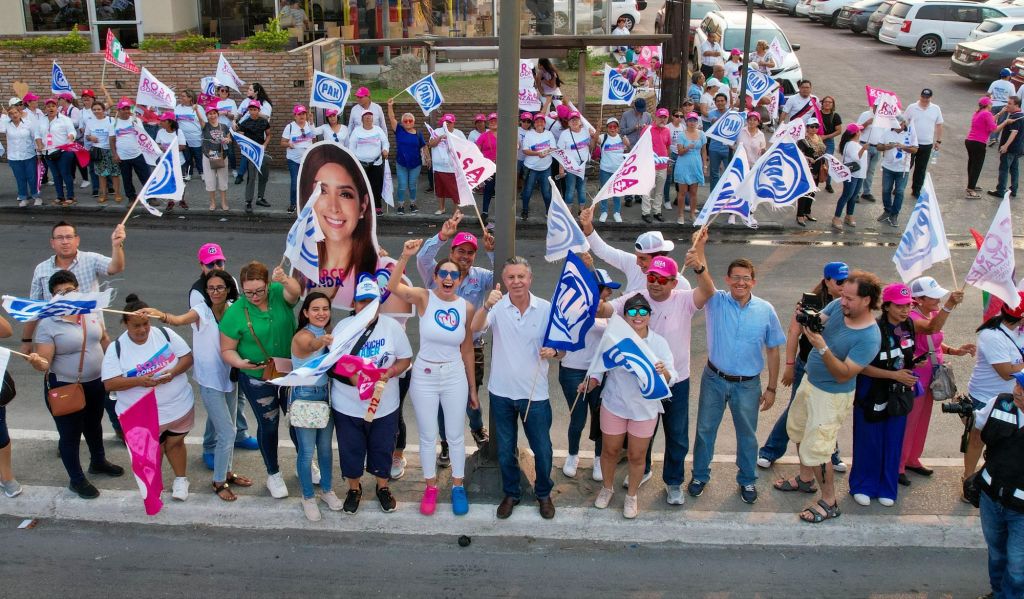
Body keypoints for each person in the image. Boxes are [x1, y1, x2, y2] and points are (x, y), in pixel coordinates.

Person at [597, 253, 710, 504]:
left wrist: (700, 268)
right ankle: (643, 470)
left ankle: (673, 482)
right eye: (651, 277)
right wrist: (596, 297)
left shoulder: (685, 300)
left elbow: (708, 291)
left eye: (661, 279)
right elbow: (606, 310)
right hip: (639, 382)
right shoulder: (637, 298)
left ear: (673, 282)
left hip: (676, 380)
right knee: (642, 435)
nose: (655, 283)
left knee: (677, 434)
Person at [777, 270, 882, 522]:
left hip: (831, 396)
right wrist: (806, 316)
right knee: (800, 431)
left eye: (849, 299)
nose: (842, 301)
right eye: (843, 295)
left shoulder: (869, 337)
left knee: (820, 449)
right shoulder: (838, 306)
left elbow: (844, 374)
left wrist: (821, 347)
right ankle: (805, 479)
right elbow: (818, 320)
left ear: (867, 300)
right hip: (810, 384)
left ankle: (829, 501)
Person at [687, 237, 786, 504]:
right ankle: (699, 476)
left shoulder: (766, 310)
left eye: (746, 278)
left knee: (748, 436)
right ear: (727, 280)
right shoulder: (715, 301)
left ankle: (747, 480)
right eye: (736, 278)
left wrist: (772, 388)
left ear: (754, 281)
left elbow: (774, 349)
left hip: (748, 385)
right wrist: (702, 247)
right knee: (705, 431)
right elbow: (703, 276)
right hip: (714, 379)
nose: (741, 282)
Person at [143, 267, 254, 500]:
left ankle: (227, 471)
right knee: (227, 432)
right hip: (210, 381)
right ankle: (219, 482)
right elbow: (178, 320)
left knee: (230, 428)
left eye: (219, 288)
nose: (215, 292)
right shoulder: (201, 311)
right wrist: (160, 315)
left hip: (231, 377)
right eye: (211, 288)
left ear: (228, 289)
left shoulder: (235, 310)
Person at [390, 239, 478, 516]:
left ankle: (457, 486)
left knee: (455, 435)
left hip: (454, 376)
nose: (449, 278)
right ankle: (430, 487)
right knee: (428, 436)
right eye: (444, 274)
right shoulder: (424, 297)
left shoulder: (467, 308)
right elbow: (393, 287)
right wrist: (404, 256)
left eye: (454, 274)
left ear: (460, 279)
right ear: (437, 277)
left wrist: (473, 390)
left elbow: (467, 349)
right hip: (424, 375)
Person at [471, 257, 561, 520]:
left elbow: (563, 348)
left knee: (542, 449)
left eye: (521, 276)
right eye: (511, 277)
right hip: (501, 393)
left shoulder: (545, 309)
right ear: (505, 281)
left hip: (535, 394)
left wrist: (554, 351)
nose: (516, 281)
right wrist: (486, 305)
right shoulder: (497, 308)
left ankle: (543, 493)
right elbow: (475, 328)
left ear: (530, 279)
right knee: (505, 449)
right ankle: (511, 493)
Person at [31, 270, 123, 499]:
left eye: (69, 290)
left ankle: (98, 461)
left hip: (95, 383)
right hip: (66, 387)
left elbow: (103, 338)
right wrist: (36, 361)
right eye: (59, 292)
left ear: (77, 290)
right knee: (70, 434)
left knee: (94, 424)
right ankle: (76, 479)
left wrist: (114, 365)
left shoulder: (91, 311)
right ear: (52, 297)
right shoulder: (47, 324)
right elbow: (45, 362)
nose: (65, 295)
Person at [295, 144, 411, 317]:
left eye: (345, 194)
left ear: (363, 205)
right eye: (322, 191)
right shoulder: (301, 269)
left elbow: (391, 338)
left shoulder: (386, 274)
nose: (333, 207)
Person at [587, 294, 677, 519]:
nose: (638, 317)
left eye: (642, 312)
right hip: (614, 404)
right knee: (610, 451)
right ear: (625, 316)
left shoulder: (658, 343)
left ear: (649, 315)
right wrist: (591, 381)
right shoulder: (614, 338)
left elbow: (671, 376)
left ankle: (632, 496)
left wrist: (662, 371)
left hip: (644, 410)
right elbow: (599, 366)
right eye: (632, 312)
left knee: (637, 456)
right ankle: (607, 488)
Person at [330, 276, 412, 515]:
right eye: (361, 302)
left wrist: (391, 371)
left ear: (379, 303)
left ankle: (382, 487)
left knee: (382, 447)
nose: (365, 306)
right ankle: (354, 489)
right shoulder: (343, 329)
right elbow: (332, 364)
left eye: (371, 301)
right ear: (354, 304)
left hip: (384, 404)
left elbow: (405, 358)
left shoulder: (392, 328)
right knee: (351, 448)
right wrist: (356, 378)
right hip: (347, 405)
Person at [758, 262, 851, 471]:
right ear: (826, 281)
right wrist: (789, 365)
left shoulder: (850, 303)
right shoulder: (811, 302)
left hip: (834, 367)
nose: (845, 286)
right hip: (807, 365)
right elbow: (793, 333)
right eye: (840, 281)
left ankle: (831, 455)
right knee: (796, 408)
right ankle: (770, 450)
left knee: (828, 412)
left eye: (848, 281)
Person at [415, 213, 493, 460]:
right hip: (439, 349)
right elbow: (423, 257)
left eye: (471, 252)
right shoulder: (436, 274)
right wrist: (441, 235)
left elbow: (504, 277)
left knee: (471, 391)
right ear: (452, 251)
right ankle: (447, 443)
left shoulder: (480, 276)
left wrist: (492, 252)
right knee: (440, 399)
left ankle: (477, 428)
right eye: (461, 250)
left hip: (473, 346)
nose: (465, 256)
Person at [219, 261, 300, 499]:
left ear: (268, 285)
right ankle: (273, 473)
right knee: (269, 424)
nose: (254, 296)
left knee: (298, 419)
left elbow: (295, 293)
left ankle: (304, 461)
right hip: (257, 377)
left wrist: (284, 279)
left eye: (259, 291)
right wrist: (239, 363)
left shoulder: (277, 292)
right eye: (248, 292)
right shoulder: (235, 313)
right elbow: (226, 350)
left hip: (289, 372)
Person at [102, 295, 195, 501]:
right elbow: (110, 383)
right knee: (153, 451)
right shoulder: (116, 348)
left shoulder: (165, 333)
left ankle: (181, 480)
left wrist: (173, 373)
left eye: (145, 324)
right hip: (143, 415)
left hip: (178, 409)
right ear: (125, 323)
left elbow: (187, 358)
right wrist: (139, 381)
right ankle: (155, 486)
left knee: (175, 444)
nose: (142, 330)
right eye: (136, 326)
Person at [849, 283, 918, 507]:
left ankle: (887, 488)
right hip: (872, 390)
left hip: (898, 393)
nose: (905, 310)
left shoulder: (909, 325)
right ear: (886, 306)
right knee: (869, 439)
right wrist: (894, 375)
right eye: (900, 305)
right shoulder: (873, 329)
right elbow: (860, 366)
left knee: (893, 440)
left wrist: (913, 365)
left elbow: (905, 355)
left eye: (908, 305)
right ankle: (862, 485)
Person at [899, 277, 972, 487]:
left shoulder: (929, 312)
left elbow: (935, 340)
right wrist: (949, 306)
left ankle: (912, 458)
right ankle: (898, 465)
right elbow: (930, 329)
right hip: (917, 376)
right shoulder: (912, 318)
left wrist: (953, 351)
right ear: (919, 299)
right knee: (910, 421)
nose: (939, 299)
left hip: (932, 375)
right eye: (934, 297)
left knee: (922, 419)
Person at [288, 292, 343, 521]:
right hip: (305, 396)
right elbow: (311, 345)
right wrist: (324, 341)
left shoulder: (328, 333)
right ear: (305, 313)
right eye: (315, 309)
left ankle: (327, 490)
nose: (321, 313)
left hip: (325, 396)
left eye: (325, 308)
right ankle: (308, 497)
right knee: (307, 451)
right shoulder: (303, 336)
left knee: (325, 449)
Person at [963, 292, 1024, 499]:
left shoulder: (1018, 331)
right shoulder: (991, 335)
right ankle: (968, 482)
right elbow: (1006, 372)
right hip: (985, 397)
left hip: (1014, 398)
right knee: (977, 439)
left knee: (1005, 444)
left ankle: (994, 481)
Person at [560, 266, 618, 481]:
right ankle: (572, 455)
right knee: (578, 417)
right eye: (606, 289)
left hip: (599, 371)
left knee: (600, 418)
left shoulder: (610, 312)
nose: (609, 293)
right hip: (572, 371)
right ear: (594, 289)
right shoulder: (570, 307)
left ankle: (598, 459)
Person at [973, 371, 1024, 599]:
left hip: (1021, 511)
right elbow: (978, 426)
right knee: (996, 554)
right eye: (1018, 383)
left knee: (1017, 566)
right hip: (991, 498)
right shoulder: (1000, 402)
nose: (1017, 390)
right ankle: (998, 592)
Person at [579, 211, 690, 293]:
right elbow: (603, 251)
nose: (637, 262)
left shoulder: (681, 284)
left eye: (642, 258)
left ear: (659, 257)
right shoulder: (632, 262)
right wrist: (587, 225)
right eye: (637, 257)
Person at [877, 115, 917, 228]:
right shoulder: (887, 131)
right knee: (886, 190)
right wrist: (886, 146)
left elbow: (915, 149)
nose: (896, 126)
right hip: (888, 167)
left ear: (904, 124)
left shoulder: (910, 133)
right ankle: (887, 210)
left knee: (899, 191)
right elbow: (878, 146)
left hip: (902, 169)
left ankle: (894, 214)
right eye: (894, 124)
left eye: (899, 124)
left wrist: (904, 147)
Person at [902, 88, 944, 198]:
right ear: (920, 96)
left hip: (927, 144)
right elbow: (904, 122)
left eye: (927, 98)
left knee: (921, 169)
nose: (925, 100)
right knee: (906, 166)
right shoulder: (912, 107)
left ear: (931, 98)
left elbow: (939, 125)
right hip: (912, 143)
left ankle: (916, 190)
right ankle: (900, 187)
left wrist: (938, 141)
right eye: (923, 97)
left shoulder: (935, 109)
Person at [387, 99, 425, 215]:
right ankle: (401, 205)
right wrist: (390, 106)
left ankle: (413, 204)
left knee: (413, 186)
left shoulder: (418, 133)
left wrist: (428, 158)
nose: (408, 122)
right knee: (402, 185)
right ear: (402, 122)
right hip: (401, 164)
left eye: (410, 120)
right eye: (405, 121)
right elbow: (392, 118)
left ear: (414, 121)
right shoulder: (399, 130)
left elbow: (424, 146)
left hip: (415, 165)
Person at [1, 99, 42, 207]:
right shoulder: (6, 124)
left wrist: (39, 149)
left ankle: (36, 196)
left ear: (20, 113)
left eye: (16, 113)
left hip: (29, 155)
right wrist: (3, 116)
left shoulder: (28, 124)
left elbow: (36, 136)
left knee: (32, 177)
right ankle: (23, 197)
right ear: (9, 116)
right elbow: (1, 129)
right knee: (20, 178)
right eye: (11, 114)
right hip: (14, 157)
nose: (14, 115)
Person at [348, 110, 390, 216]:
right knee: (361, 186)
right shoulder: (357, 131)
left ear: (373, 119)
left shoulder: (378, 130)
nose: (368, 118)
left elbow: (385, 142)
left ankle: (377, 207)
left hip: (376, 163)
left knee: (377, 186)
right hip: (361, 164)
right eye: (366, 116)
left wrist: (385, 149)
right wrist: (353, 161)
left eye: (370, 116)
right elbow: (351, 146)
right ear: (362, 119)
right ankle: (361, 207)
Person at [110, 99, 152, 202]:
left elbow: (143, 136)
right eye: (123, 109)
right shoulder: (114, 124)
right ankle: (131, 198)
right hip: (123, 157)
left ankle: (151, 197)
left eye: (128, 109)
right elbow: (111, 140)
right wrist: (115, 154)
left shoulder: (136, 120)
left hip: (138, 154)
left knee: (145, 176)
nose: (126, 111)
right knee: (126, 179)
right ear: (118, 110)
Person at [233, 101, 271, 213]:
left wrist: (264, 145)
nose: (253, 111)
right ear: (248, 110)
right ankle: (248, 201)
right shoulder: (245, 122)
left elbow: (269, 135)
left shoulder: (264, 122)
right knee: (251, 178)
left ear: (259, 110)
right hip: (251, 154)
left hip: (262, 151)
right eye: (251, 109)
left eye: (255, 109)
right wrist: (240, 139)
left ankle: (260, 198)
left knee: (264, 176)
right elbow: (240, 137)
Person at [40, 97, 78, 206]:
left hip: (63, 151)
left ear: (57, 107)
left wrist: (71, 137)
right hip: (48, 151)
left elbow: (72, 131)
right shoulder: (42, 120)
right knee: (56, 175)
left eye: (53, 106)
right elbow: (37, 134)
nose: (50, 108)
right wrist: (38, 144)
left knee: (65, 173)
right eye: (48, 106)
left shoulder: (64, 119)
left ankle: (71, 196)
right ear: (45, 108)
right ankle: (60, 196)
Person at [519, 112, 556, 221]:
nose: (539, 123)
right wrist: (537, 154)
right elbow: (525, 150)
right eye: (537, 121)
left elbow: (553, 148)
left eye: (541, 121)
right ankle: (525, 210)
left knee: (546, 192)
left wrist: (546, 152)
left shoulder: (549, 134)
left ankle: (548, 211)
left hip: (546, 168)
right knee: (527, 191)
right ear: (534, 124)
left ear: (544, 123)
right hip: (531, 168)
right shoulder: (529, 134)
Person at [427, 113, 466, 216]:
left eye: (449, 122)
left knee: (454, 191)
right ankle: (441, 208)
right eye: (445, 122)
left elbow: (464, 148)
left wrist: (451, 140)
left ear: (453, 123)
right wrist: (440, 138)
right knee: (440, 189)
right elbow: (430, 144)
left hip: (453, 168)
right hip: (439, 167)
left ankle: (456, 210)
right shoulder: (436, 132)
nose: (447, 124)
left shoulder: (459, 133)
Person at [234, 82, 273, 185]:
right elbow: (238, 113)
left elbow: (266, 118)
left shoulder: (265, 104)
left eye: (250, 90)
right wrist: (234, 121)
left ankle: (254, 175)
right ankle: (241, 175)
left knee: (256, 153)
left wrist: (255, 111)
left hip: (259, 132)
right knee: (245, 152)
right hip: (245, 129)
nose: (248, 91)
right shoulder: (246, 101)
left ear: (256, 92)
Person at [593, 117, 630, 222]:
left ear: (618, 128)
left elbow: (628, 146)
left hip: (618, 171)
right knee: (604, 191)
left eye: (614, 126)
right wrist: (598, 129)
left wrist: (626, 142)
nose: (612, 129)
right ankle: (604, 211)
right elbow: (595, 140)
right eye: (610, 126)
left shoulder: (622, 137)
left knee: (616, 192)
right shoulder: (603, 137)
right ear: (607, 128)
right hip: (605, 170)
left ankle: (616, 212)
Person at [674, 112, 707, 225]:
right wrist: (687, 147)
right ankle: (680, 215)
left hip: (696, 164)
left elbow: (703, 151)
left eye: (694, 120)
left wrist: (705, 165)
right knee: (682, 192)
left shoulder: (702, 134)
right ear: (686, 122)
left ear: (697, 122)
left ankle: (692, 214)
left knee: (693, 192)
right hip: (683, 164)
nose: (692, 123)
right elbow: (680, 152)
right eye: (690, 120)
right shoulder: (682, 135)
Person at [282, 104, 316, 213]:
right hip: (293, 160)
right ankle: (293, 204)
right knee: (295, 182)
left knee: (307, 183)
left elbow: (313, 139)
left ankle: (307, 204)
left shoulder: (309, 125)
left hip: (307, 160)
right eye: (299, 114)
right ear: (295, 116)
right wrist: (289, 144)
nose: (302, 116)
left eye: (303, 114)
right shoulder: (290, 127)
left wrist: (311, 122)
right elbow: (282, 142)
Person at [833, 124, 867, 231]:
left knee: (853, 196)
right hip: (852, 175)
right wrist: (864, 149)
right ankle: (836, 217)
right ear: (856, 133)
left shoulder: (855, 143)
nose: (860, 132)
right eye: (859, 131)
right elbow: (856, 158)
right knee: (847, 195)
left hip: (859, 174)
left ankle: (849, 215)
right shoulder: (851, 144)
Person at [989, 95, 1024, 199]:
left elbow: (1014, 132)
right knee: (1014, 169)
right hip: (1018, 148)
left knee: (1004, 169)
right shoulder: (1021, 115)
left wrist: (1005, 146)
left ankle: (1000, 190)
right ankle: (1013, 189)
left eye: (1009, 103)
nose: (1007, 105)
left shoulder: (1015, 117)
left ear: (1016, 105)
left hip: (1010, 149)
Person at [557, 111, 592, 214]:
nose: (574, 121)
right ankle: (569, 211)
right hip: (570, 166)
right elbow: (561, 152)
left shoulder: (586, 131)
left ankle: (581, 211)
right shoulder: (564, 134)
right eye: (572, 120)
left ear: (580, 121)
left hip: (583, 165)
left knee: (582, 189)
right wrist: (561, 168)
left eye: (576, 119)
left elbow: (593, 145)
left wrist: (594, 134)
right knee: (570, 189)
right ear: (568, 122)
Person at [200, 103, 232, 212]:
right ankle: (212, 202)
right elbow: (200, 119)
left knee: (223, 180)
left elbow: (229, 139)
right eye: (210, 114)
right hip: (208, 156)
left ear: (217, 114)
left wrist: (227, 140)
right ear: (207, 115)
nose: (212, 116)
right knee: (210, 180)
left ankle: (223, 202)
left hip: (222, 156)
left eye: (214, 113)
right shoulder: (205, 126)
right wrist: (196, 110)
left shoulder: (224, 126)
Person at [795, 117, 825, 226]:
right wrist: (808, 158)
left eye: (816, 127)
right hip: (807, 168)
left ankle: (807, 211)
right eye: (812, 126)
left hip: (817, 167)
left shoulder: (819, 138)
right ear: (807, 127)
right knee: (804, 192)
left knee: (813, 191)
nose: (814, 129)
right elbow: (799, 153)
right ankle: (800, 215)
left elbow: (822, 151)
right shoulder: (803, 140)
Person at [966, 97, 998, 200]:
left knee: (972, 164)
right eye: (990, 104)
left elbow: (988, 123)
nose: (991, 105)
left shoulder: (978, 113)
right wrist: (1005, 122)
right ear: (987, 105)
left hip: (970, 141)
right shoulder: (987, 113)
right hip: (978, 142)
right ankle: (971, 189)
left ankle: (971, 184)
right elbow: (994, 129)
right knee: (977, 166)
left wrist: (999, 114)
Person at [155, 112, 188, 211]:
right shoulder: (160, 132)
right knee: (169, 182)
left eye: (163, 121)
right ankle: (171, 201)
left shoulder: (179, 132)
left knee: (181, 181)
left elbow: (182, 146)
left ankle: (181, 200)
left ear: (170, 122)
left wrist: (168, 148)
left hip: (179, 161)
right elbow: (157, 144)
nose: (161, 122)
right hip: (165, 162)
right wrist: (161, 147)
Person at [174, 91, 205, 182]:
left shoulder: (199, 108)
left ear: (190, 98)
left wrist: (197, 110)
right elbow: (174, 121)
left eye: (183, 96)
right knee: (187, 158)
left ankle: (201, 172)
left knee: (198, 157)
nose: (181, 98)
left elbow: (203, 122)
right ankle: (189, 173)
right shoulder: (178, 107)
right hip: (183, 138)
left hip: (196, 137)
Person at [855, 104, 884, 203]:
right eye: (877, 106)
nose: (878, 108)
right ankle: (857, 193)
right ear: (873, 106)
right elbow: (857, 129)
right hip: (865, 146)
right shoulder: (866, 114)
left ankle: (866, 192)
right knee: (863, 170)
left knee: (871, 171)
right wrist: (866, 123)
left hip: (878, 147)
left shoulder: (884, 118)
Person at [706, 96, 732, 194]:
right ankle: (713, 196)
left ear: (726, 101)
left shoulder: (731, 112)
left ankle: (726, 196)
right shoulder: (712, 113)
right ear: (715, 103)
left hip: (728, 148)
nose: (720, 103)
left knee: (729, 174)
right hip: (714, 148)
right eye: (718, 101)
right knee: (714, 174)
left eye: (722, 101)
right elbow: (714, 121)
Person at [477, 113, 498, 221]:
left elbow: (516, 146)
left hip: (503, 167)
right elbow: (476, 151)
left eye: (495, 120)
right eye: (491, 121)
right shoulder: (484, 136)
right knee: (488, 189)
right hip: (489, 167)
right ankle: (485, 212)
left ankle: (504, 212)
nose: (493, 122)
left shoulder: (506, 133)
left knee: (503, 191)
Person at [214, 85, 239, 176]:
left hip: (228, 129)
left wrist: (225, 113)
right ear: (218, 92)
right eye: (222, 90)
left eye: (226, 91)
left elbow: (234, 116)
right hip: (216, 128)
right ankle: (217, 168)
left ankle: (233, 169)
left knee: (230, 150)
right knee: (217, 150)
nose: (224, 92)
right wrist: (217, 113)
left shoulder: (231, 102)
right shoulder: (215, 102)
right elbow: (210, 115)